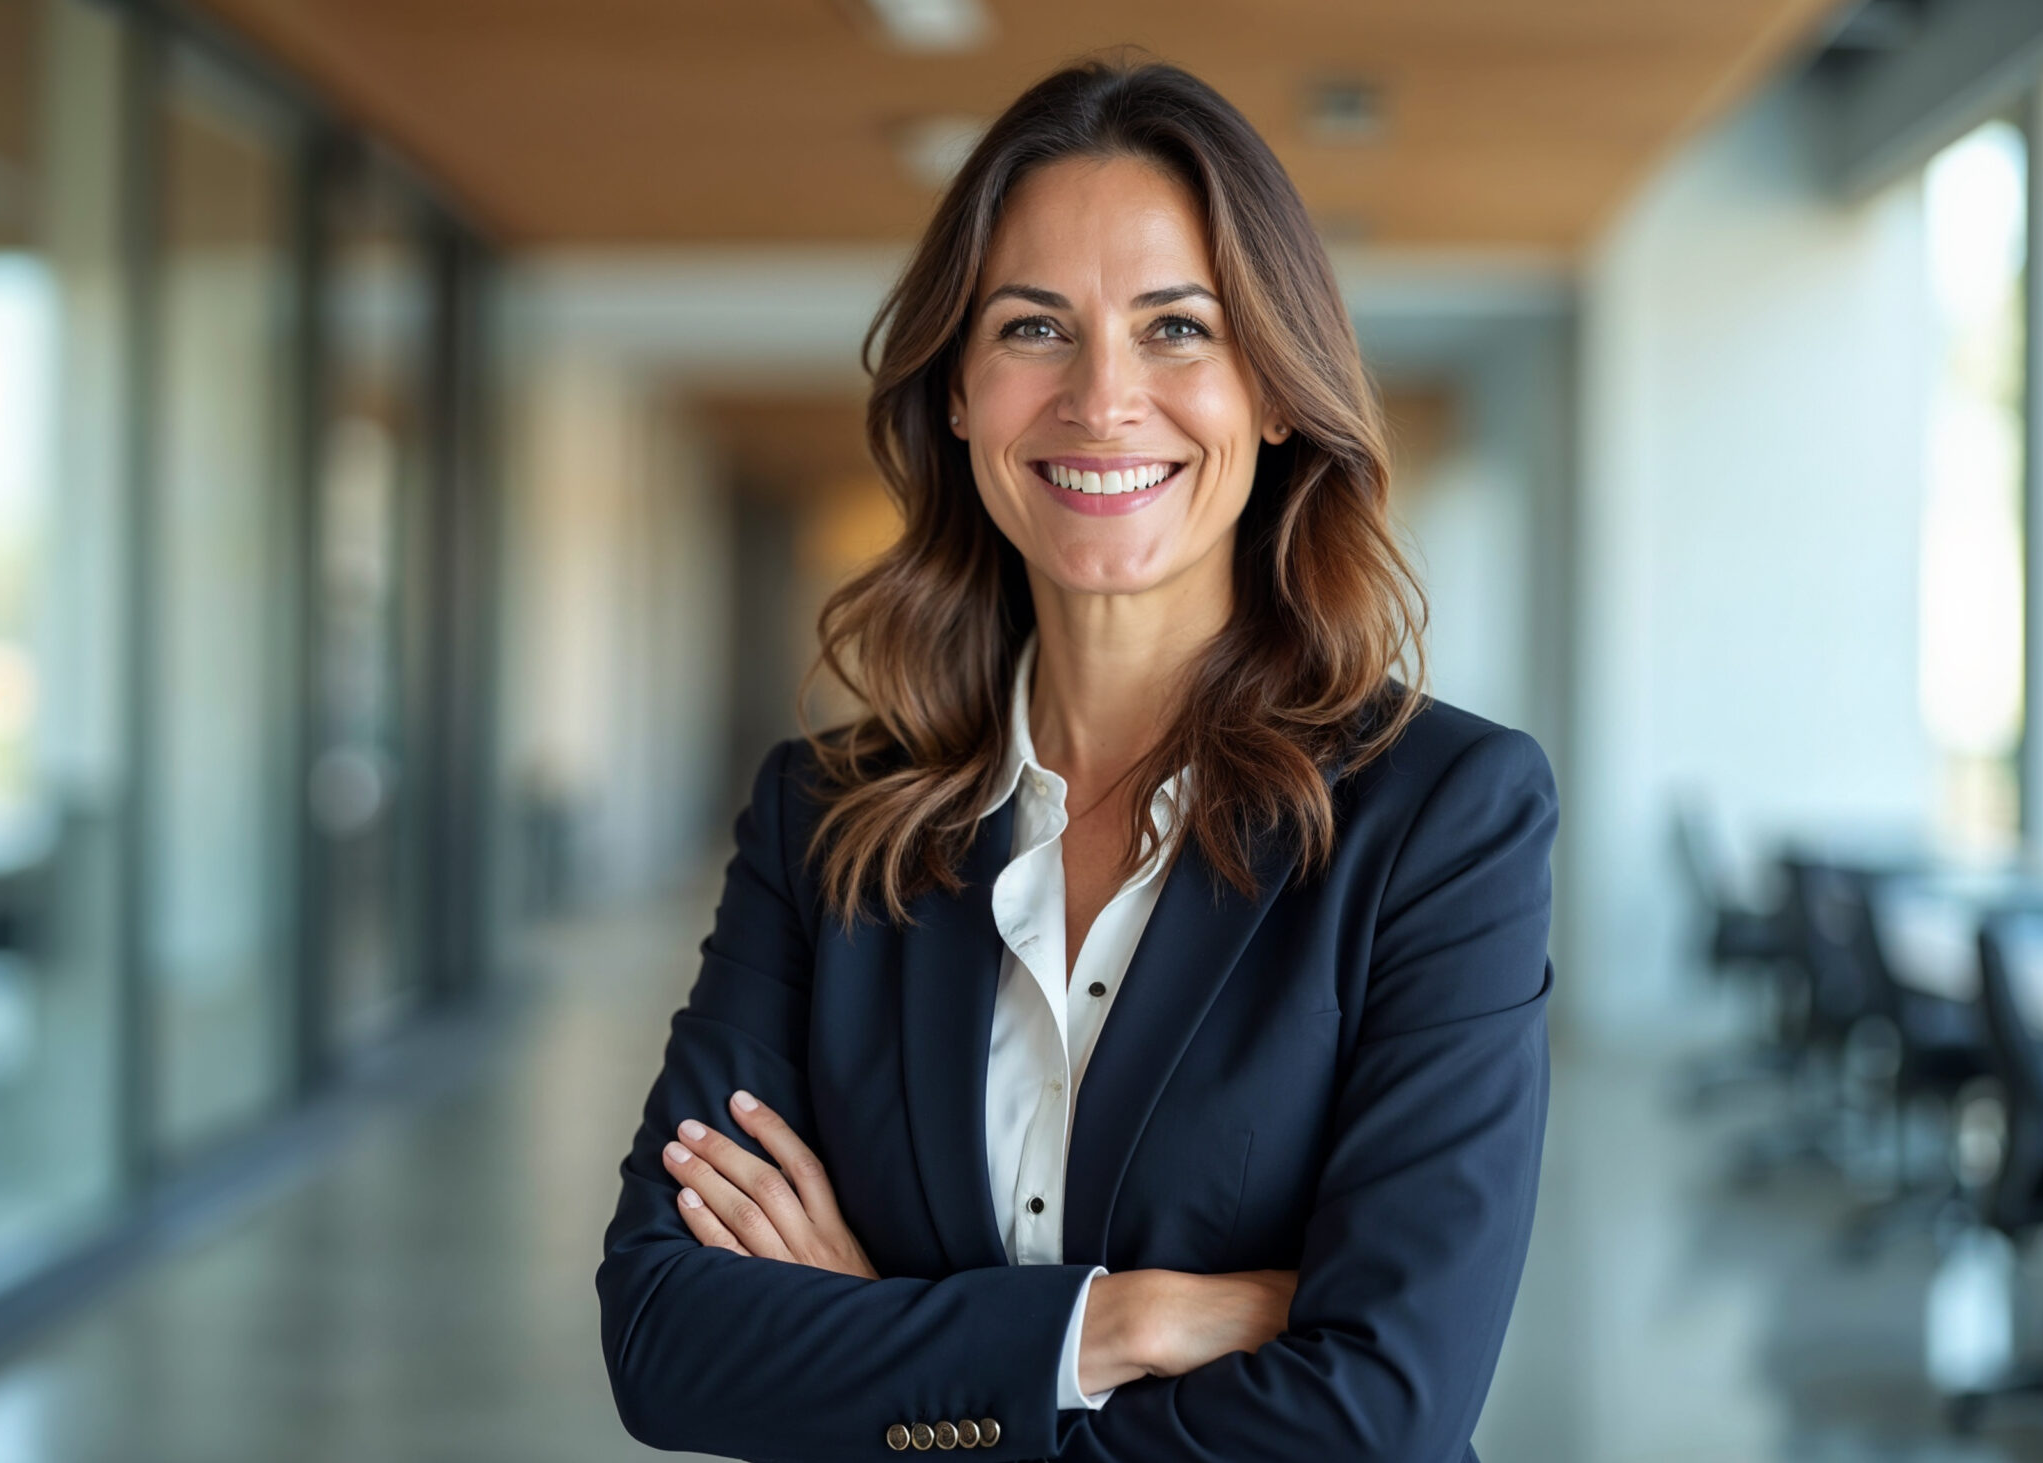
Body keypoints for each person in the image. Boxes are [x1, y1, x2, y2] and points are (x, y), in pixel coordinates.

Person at [597, 56, 1555, 1462]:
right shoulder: (823, 822)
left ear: (1275, 391)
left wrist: (903, 1359)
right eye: (1035, 328)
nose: (1103, 399)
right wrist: (1109, 1330)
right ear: (959, 396)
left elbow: (1381, 1414)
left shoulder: (1442, 819)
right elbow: (666, 1340)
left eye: (1178, 328)